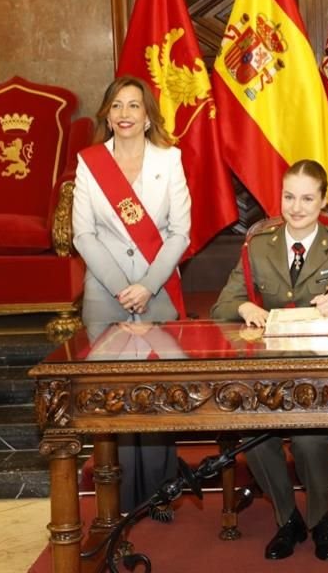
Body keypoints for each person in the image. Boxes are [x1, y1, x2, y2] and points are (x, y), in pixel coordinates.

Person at [211, 159, 328, 561]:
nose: (297, 207)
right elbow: (223, 305)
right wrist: (244, 310)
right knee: (257, 437)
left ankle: (320, 519)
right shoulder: (258, 246)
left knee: (309, 439)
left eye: (307, 198)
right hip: (267, 369)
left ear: (323, 200)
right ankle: (287, 519)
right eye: (289, 196)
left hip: (319, 370)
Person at [72, 75, 191, 518]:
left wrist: (147, 287)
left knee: (156, 396)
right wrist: (124, 287)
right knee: (115, 399)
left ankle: (161, 493)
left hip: (156, 290)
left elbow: (180, 232)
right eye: (116, 106)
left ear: (147, 117)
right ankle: (121, 497)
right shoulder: (90, 163)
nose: (124, 114)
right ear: (107, 114)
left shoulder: (170, 159)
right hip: (106, 294)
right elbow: (83, 233)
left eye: (133, 106)